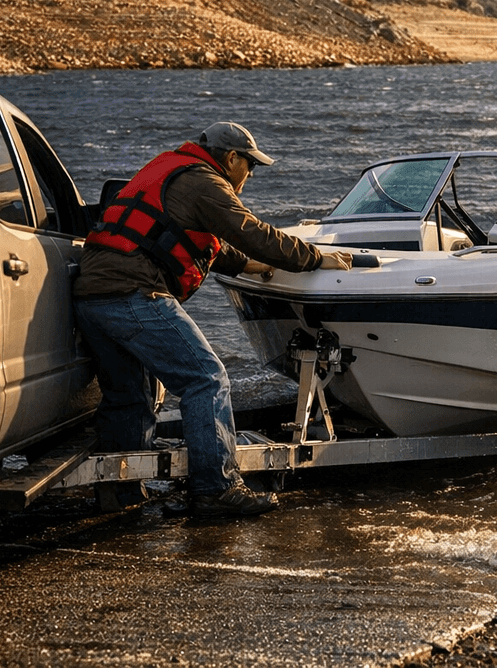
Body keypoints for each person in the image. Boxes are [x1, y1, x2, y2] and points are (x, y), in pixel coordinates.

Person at [73, 121, 353, 517]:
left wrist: (251, 268)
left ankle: (119, 494)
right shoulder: (206, 181)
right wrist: (313, 257)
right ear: (232, 158)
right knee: (205, 378)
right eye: (250, 166)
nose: (251, 175)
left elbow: (189, 240)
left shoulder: (171, 169)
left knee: (129, 395)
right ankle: (215, 488)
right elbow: (251, 232)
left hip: (92, 297)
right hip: (132, 292)